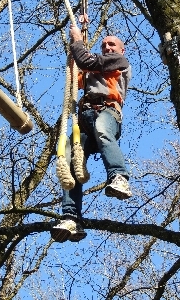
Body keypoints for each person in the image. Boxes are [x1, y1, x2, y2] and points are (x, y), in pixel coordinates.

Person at [51, 23, 133, 242]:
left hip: (107, 112)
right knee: (69, 159)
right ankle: (71, 217)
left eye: (112, 44)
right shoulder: (91, 69)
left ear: (121, 50)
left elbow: (88, 60)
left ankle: (119, 176)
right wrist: (75, 44)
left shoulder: (119, 62)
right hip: (85, 117)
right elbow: (77, 72)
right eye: (104, 44)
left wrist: (79, 40)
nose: (107, 47)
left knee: (103, 131)